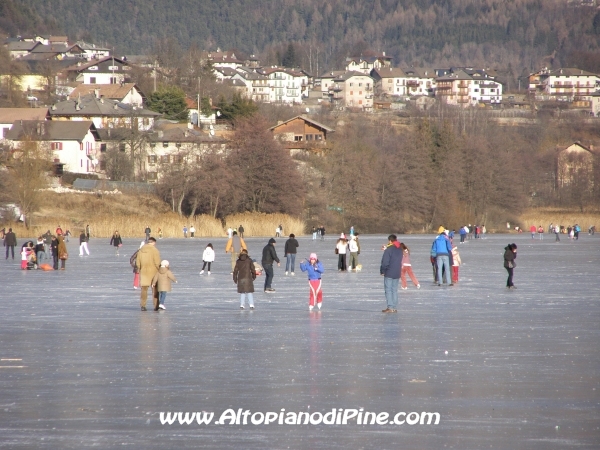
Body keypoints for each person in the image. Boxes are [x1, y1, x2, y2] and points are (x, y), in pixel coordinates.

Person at [136, 237, 161, 311]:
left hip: (144, 272)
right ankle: (156, 305)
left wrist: (141, 268)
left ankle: (143, 305)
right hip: (153, 272)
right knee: (155, 289)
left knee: (144, 290)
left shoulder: (141, 250)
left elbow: (138, 262)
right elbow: (157, 262)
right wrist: (159, 269)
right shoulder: (155, 250)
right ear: (153, 242)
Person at [380, 235, 403, 313]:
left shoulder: (389, 250)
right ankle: (394, 307)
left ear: (390, 241)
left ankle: (390, 307)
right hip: (397, 272)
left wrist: (382, 271)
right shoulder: (400, 249)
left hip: (389, 272)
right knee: (394, 290)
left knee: (388, 290)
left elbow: (385, 262)